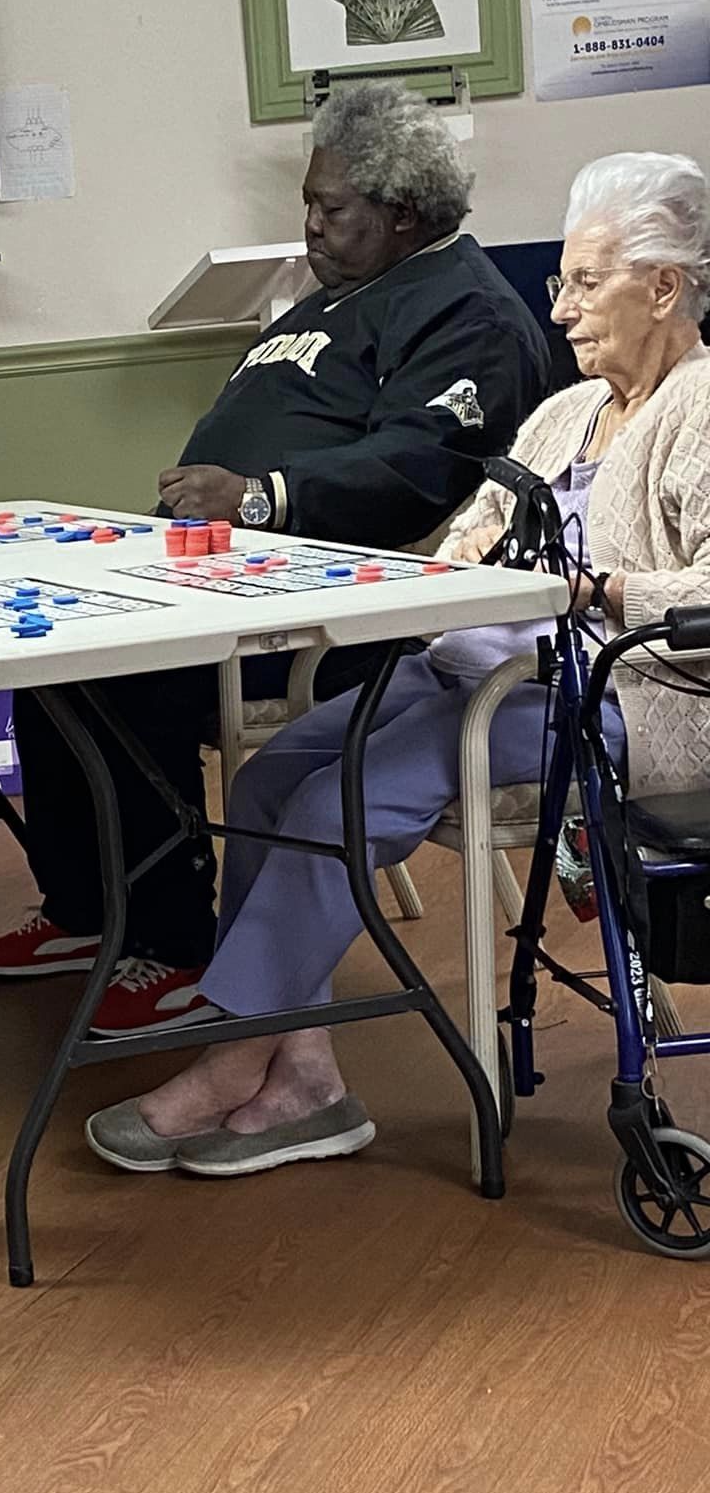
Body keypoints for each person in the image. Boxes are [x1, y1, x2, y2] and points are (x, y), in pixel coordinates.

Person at [84, 150, 710, 1178]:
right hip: (489, 667)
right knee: (272, 772)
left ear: (665, 284)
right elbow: (475, 531)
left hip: (622, 692)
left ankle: (236, 1060)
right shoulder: (564, 414)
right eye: (559, 281)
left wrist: (595, 592)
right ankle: (308, 1076)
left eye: (585, 281)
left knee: (348, 792)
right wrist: (449, 566)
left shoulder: (702, 406)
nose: (559, 310)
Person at [0, 79, 552, 1036]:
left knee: (124, 684)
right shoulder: (343, 296)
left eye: (332, 210)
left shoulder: (470, 315)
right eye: (308, 203)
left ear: (402, 216)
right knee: (52, 664)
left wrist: (260, 497)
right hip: (217, 576)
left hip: (348, 618)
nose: (310, 226)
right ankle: (85, 914)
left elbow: (422, 466)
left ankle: (176, 948)